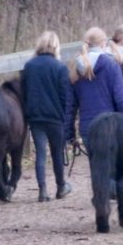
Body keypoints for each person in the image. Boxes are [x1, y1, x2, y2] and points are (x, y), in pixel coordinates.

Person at [21, 31, 73, 201]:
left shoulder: (29, 66)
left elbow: (24, 91)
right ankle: (60, 186)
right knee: (57, 153)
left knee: (41, 154)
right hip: (55, 117)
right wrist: (66, 118)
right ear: (56, 46)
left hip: (36, 117)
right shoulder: (60, 67)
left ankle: (42, 189)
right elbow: (65, 95)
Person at [65, 27, 123, 148]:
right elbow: (120, 100)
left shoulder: (74, 68)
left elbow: (70, 106)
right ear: (104, 43)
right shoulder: (112, 65)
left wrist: (69, 135)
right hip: (110, 126)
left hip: (87, 128)